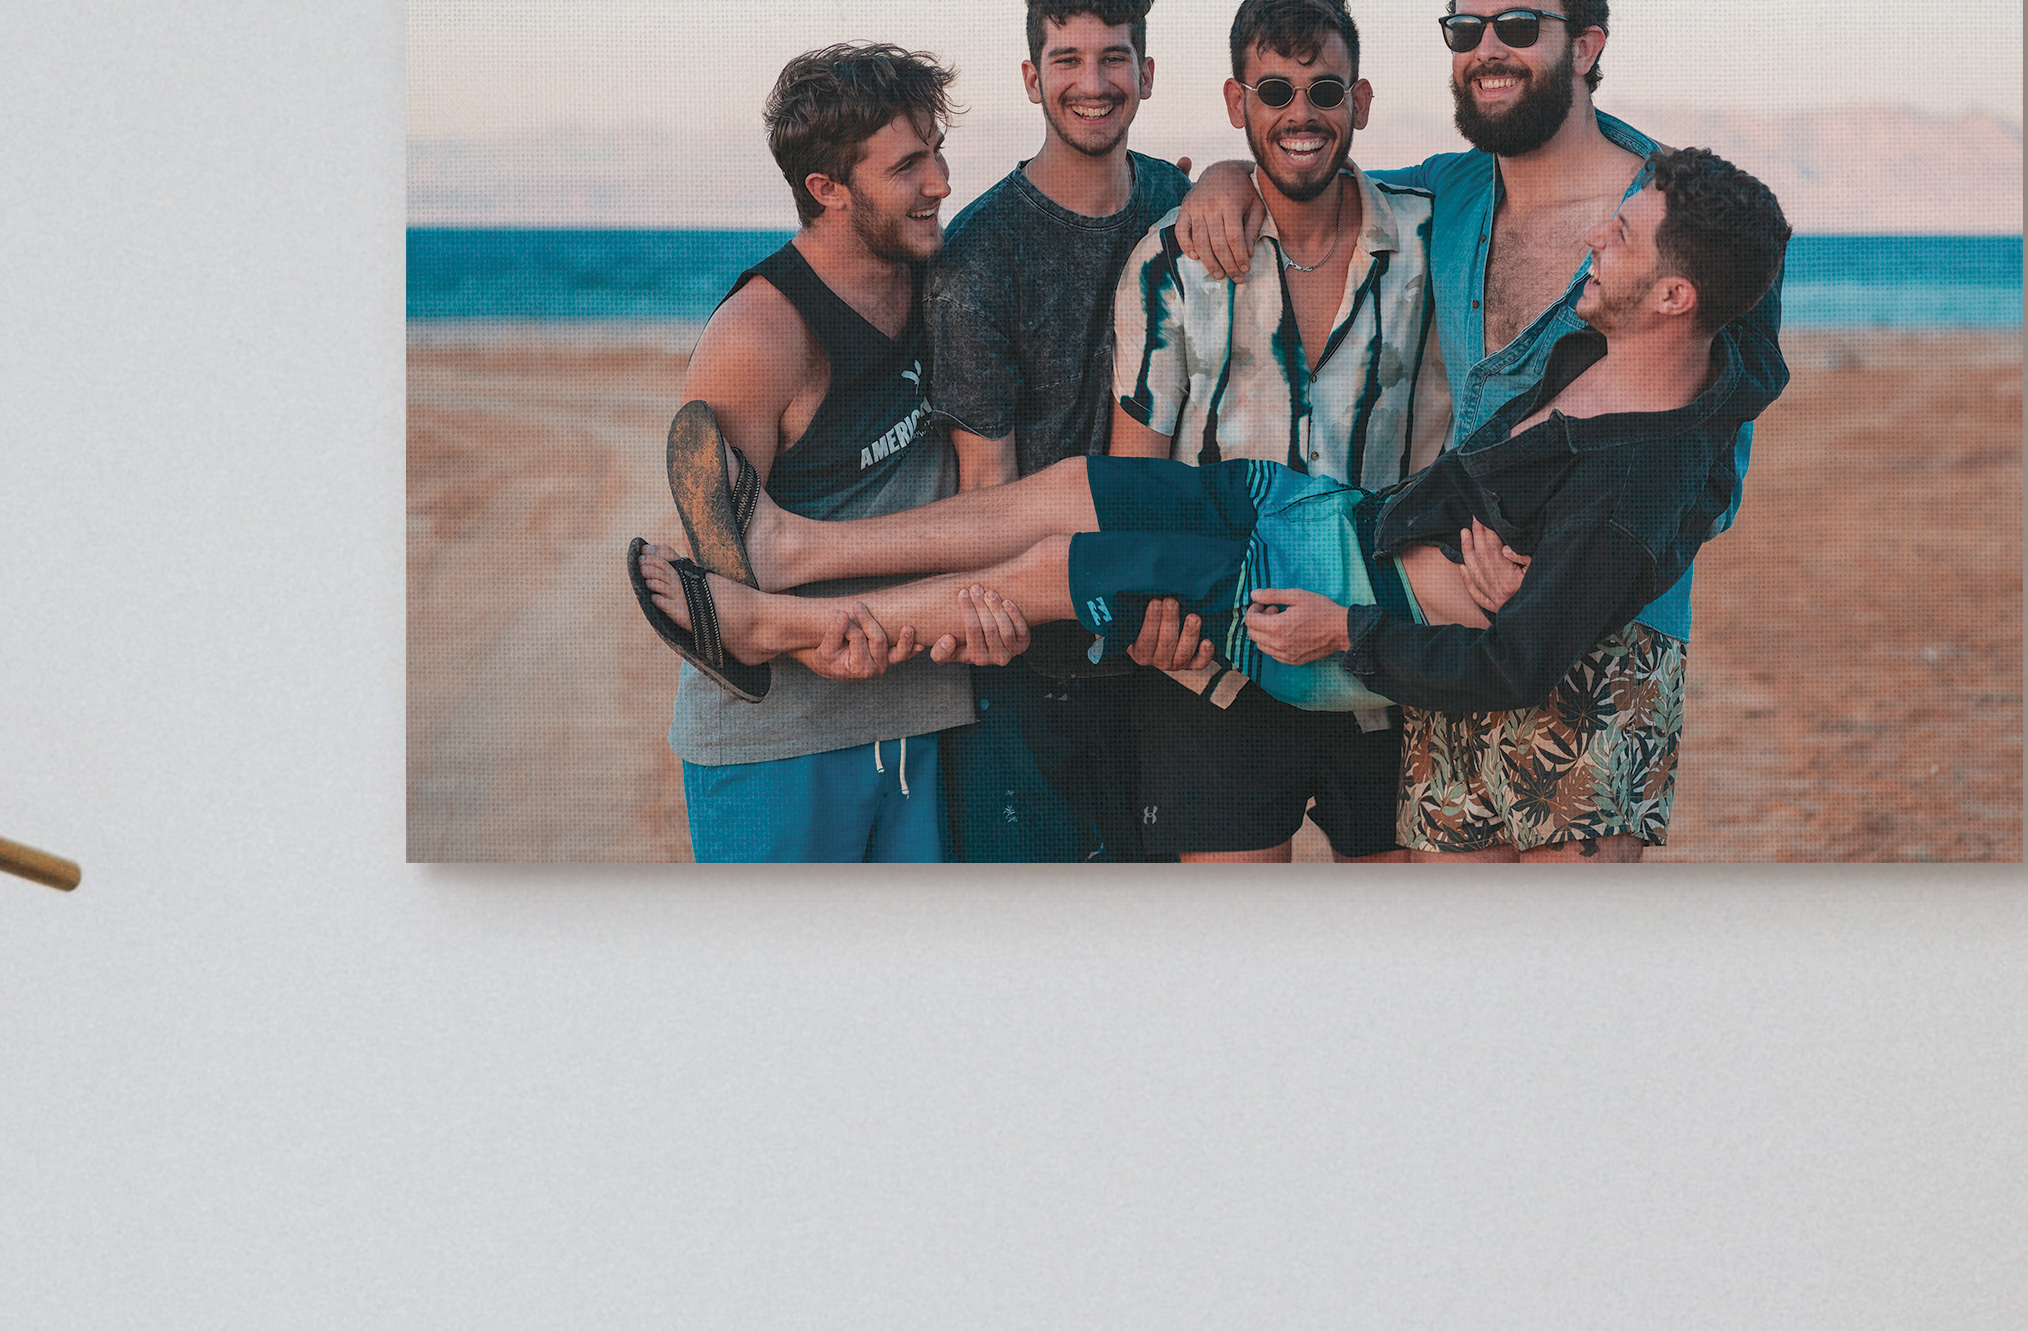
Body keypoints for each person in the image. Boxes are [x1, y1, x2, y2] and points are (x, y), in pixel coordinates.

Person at [727, 147, 1790, 858]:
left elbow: (1513, 663)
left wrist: (1350, 628)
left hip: (1336, 601)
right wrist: (1229, 168)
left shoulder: (1641, 481)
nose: (1592, 242)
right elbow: (1313, 159)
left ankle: (787, 623)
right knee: (1073, 492)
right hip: (1322, 512)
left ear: (1675, 296)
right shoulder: (1606, 350)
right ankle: (802, 546)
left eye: (1621, 237)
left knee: (1058, 574)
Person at [1171, 0, 1793, 835]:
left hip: (1602, 634)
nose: (1487, 49)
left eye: (1518, 28)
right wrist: (1223, 176)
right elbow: (1313, 181)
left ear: (1585, 46)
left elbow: (1716, 457)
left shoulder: (1674, 212)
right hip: (1443, 632)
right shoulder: (1448, 193)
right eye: (1466, 29)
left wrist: (1563, 583)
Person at [1093, 0, 1445, 860]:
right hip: (1217, 664)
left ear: (1359, 103)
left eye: (1325, 90)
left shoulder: (1434, 244)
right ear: (1235, 103)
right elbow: (1139, 475)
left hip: (1387, 656)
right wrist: (1150, 615)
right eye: (1274, 92)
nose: (1302, 113)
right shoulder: (1173, 262)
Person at [630, 42, 976, 860]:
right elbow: (712, 585)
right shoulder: (762, 335)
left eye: (939, 153)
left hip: (931, 716)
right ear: (826, 189)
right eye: (908, 166)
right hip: (778, 745)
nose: (940, 184)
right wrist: (810, 631)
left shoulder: (945, 282)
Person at [920, 0, 1185, 858]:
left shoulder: (1179, 203)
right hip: (1034, 653)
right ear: (1033, 78)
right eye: (1067, 61)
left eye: (1114, 58)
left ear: (1146, 75)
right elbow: (983, 485)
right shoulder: (979, 258)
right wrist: (987, 610)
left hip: (1163, 636)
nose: (1093, 83)